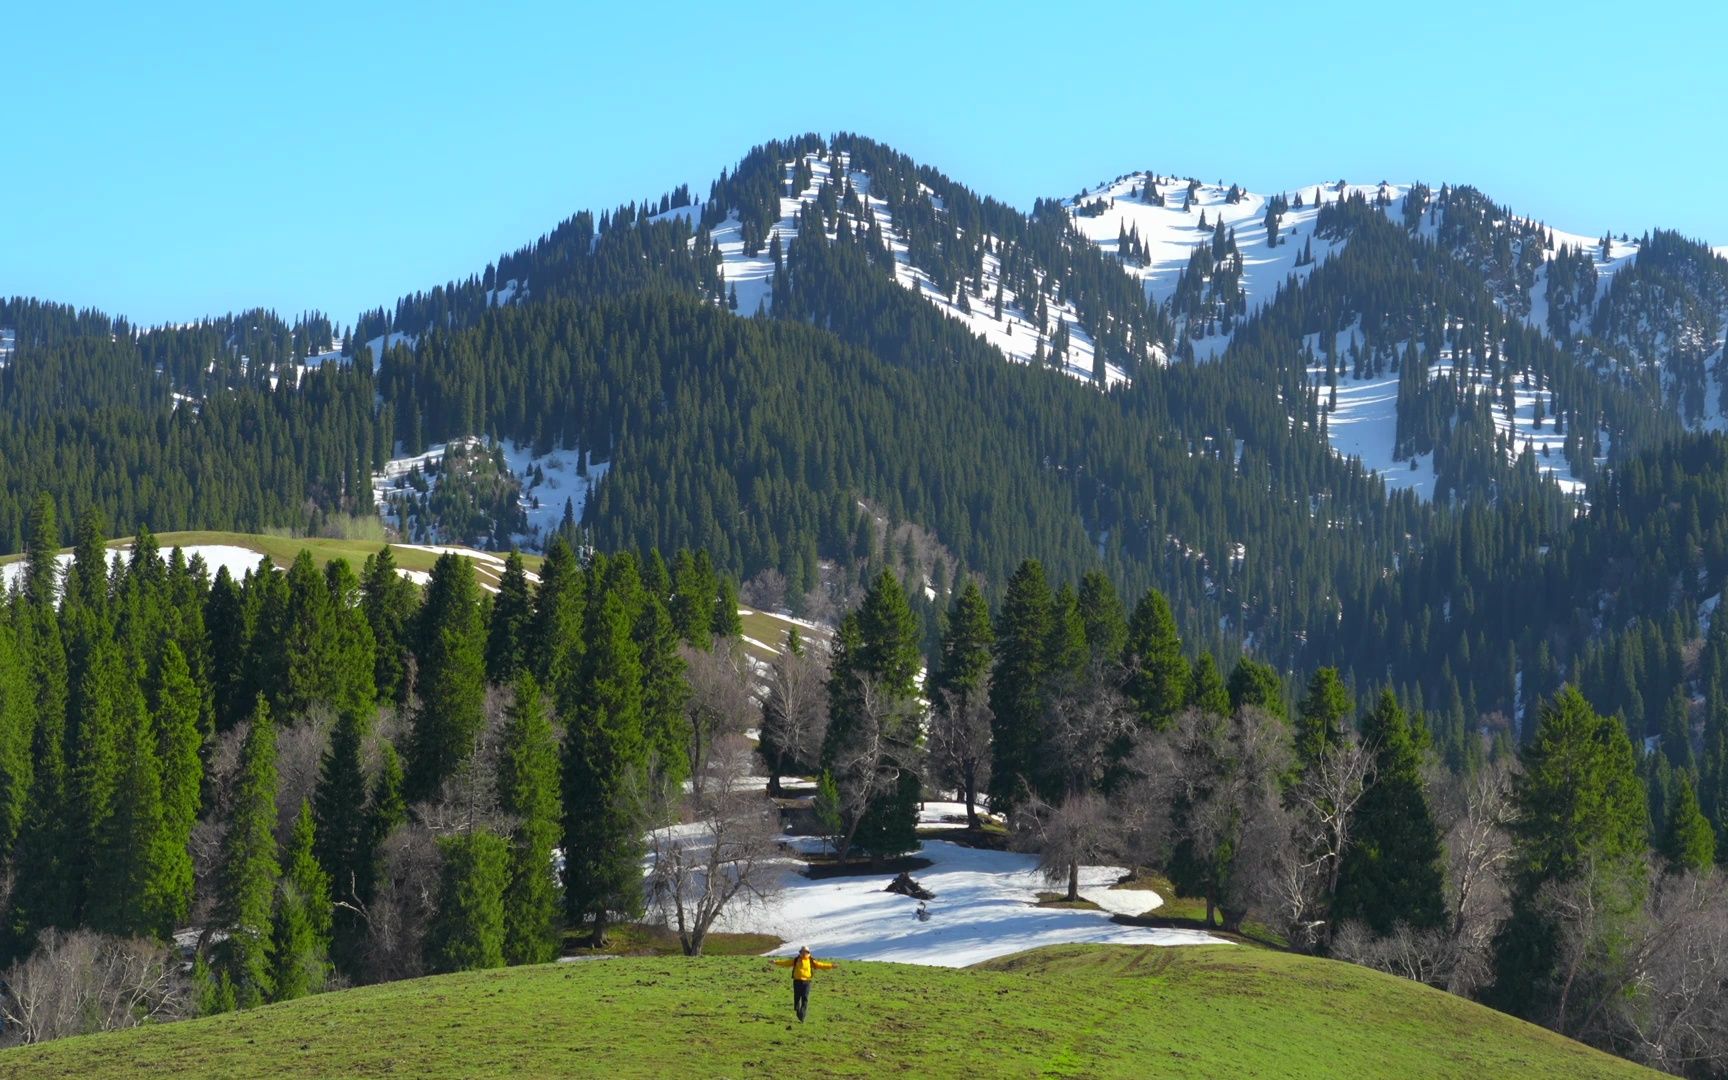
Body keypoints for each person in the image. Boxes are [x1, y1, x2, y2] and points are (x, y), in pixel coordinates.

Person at [772, 946, 835, 1022]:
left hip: (807, 982)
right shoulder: (796, 960)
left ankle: (802, 1015)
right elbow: (786, 963)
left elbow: (820, 965)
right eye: (802, 951)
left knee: (805, 998)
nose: (803, 953)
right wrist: (776, 962)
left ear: (808, 952)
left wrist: (831, 966)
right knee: (797, 997)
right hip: (797, 981)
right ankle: (797, 1010)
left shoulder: (811, 961)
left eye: (805, 951)